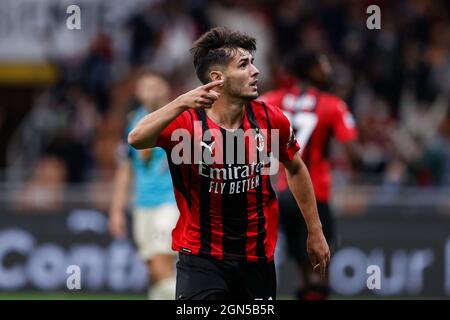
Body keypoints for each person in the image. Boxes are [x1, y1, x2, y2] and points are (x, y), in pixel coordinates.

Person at [127, 27, 330, 300]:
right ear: (217, 78)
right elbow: (136, 138)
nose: (255, 71)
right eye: (244, 65)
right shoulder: (186, 122)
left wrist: (315, 231)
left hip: (256, 258)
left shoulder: (272, 119)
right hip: (200, 257)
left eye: (253, 63)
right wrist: (180, 102)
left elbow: (295, 168)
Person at [262, 49, 360, 300]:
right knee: (320, 268)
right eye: (324, 64)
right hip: (316, 193)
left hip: (282, 192)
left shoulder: (271, 100)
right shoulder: (333, 104)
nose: (328, 69)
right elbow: (353, 153)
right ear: (311, 70)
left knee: (303, 271)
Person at [109, 70, 179, 300]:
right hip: (142, 204)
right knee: (153, 270)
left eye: (156, 86)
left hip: (171, 202)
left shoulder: (179, 118)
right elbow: (125, 169)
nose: (151, 91)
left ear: (166, 89)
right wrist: (117, 210)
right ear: (138, 93)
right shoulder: (133, 122)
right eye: (145, 87)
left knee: (161, 265)